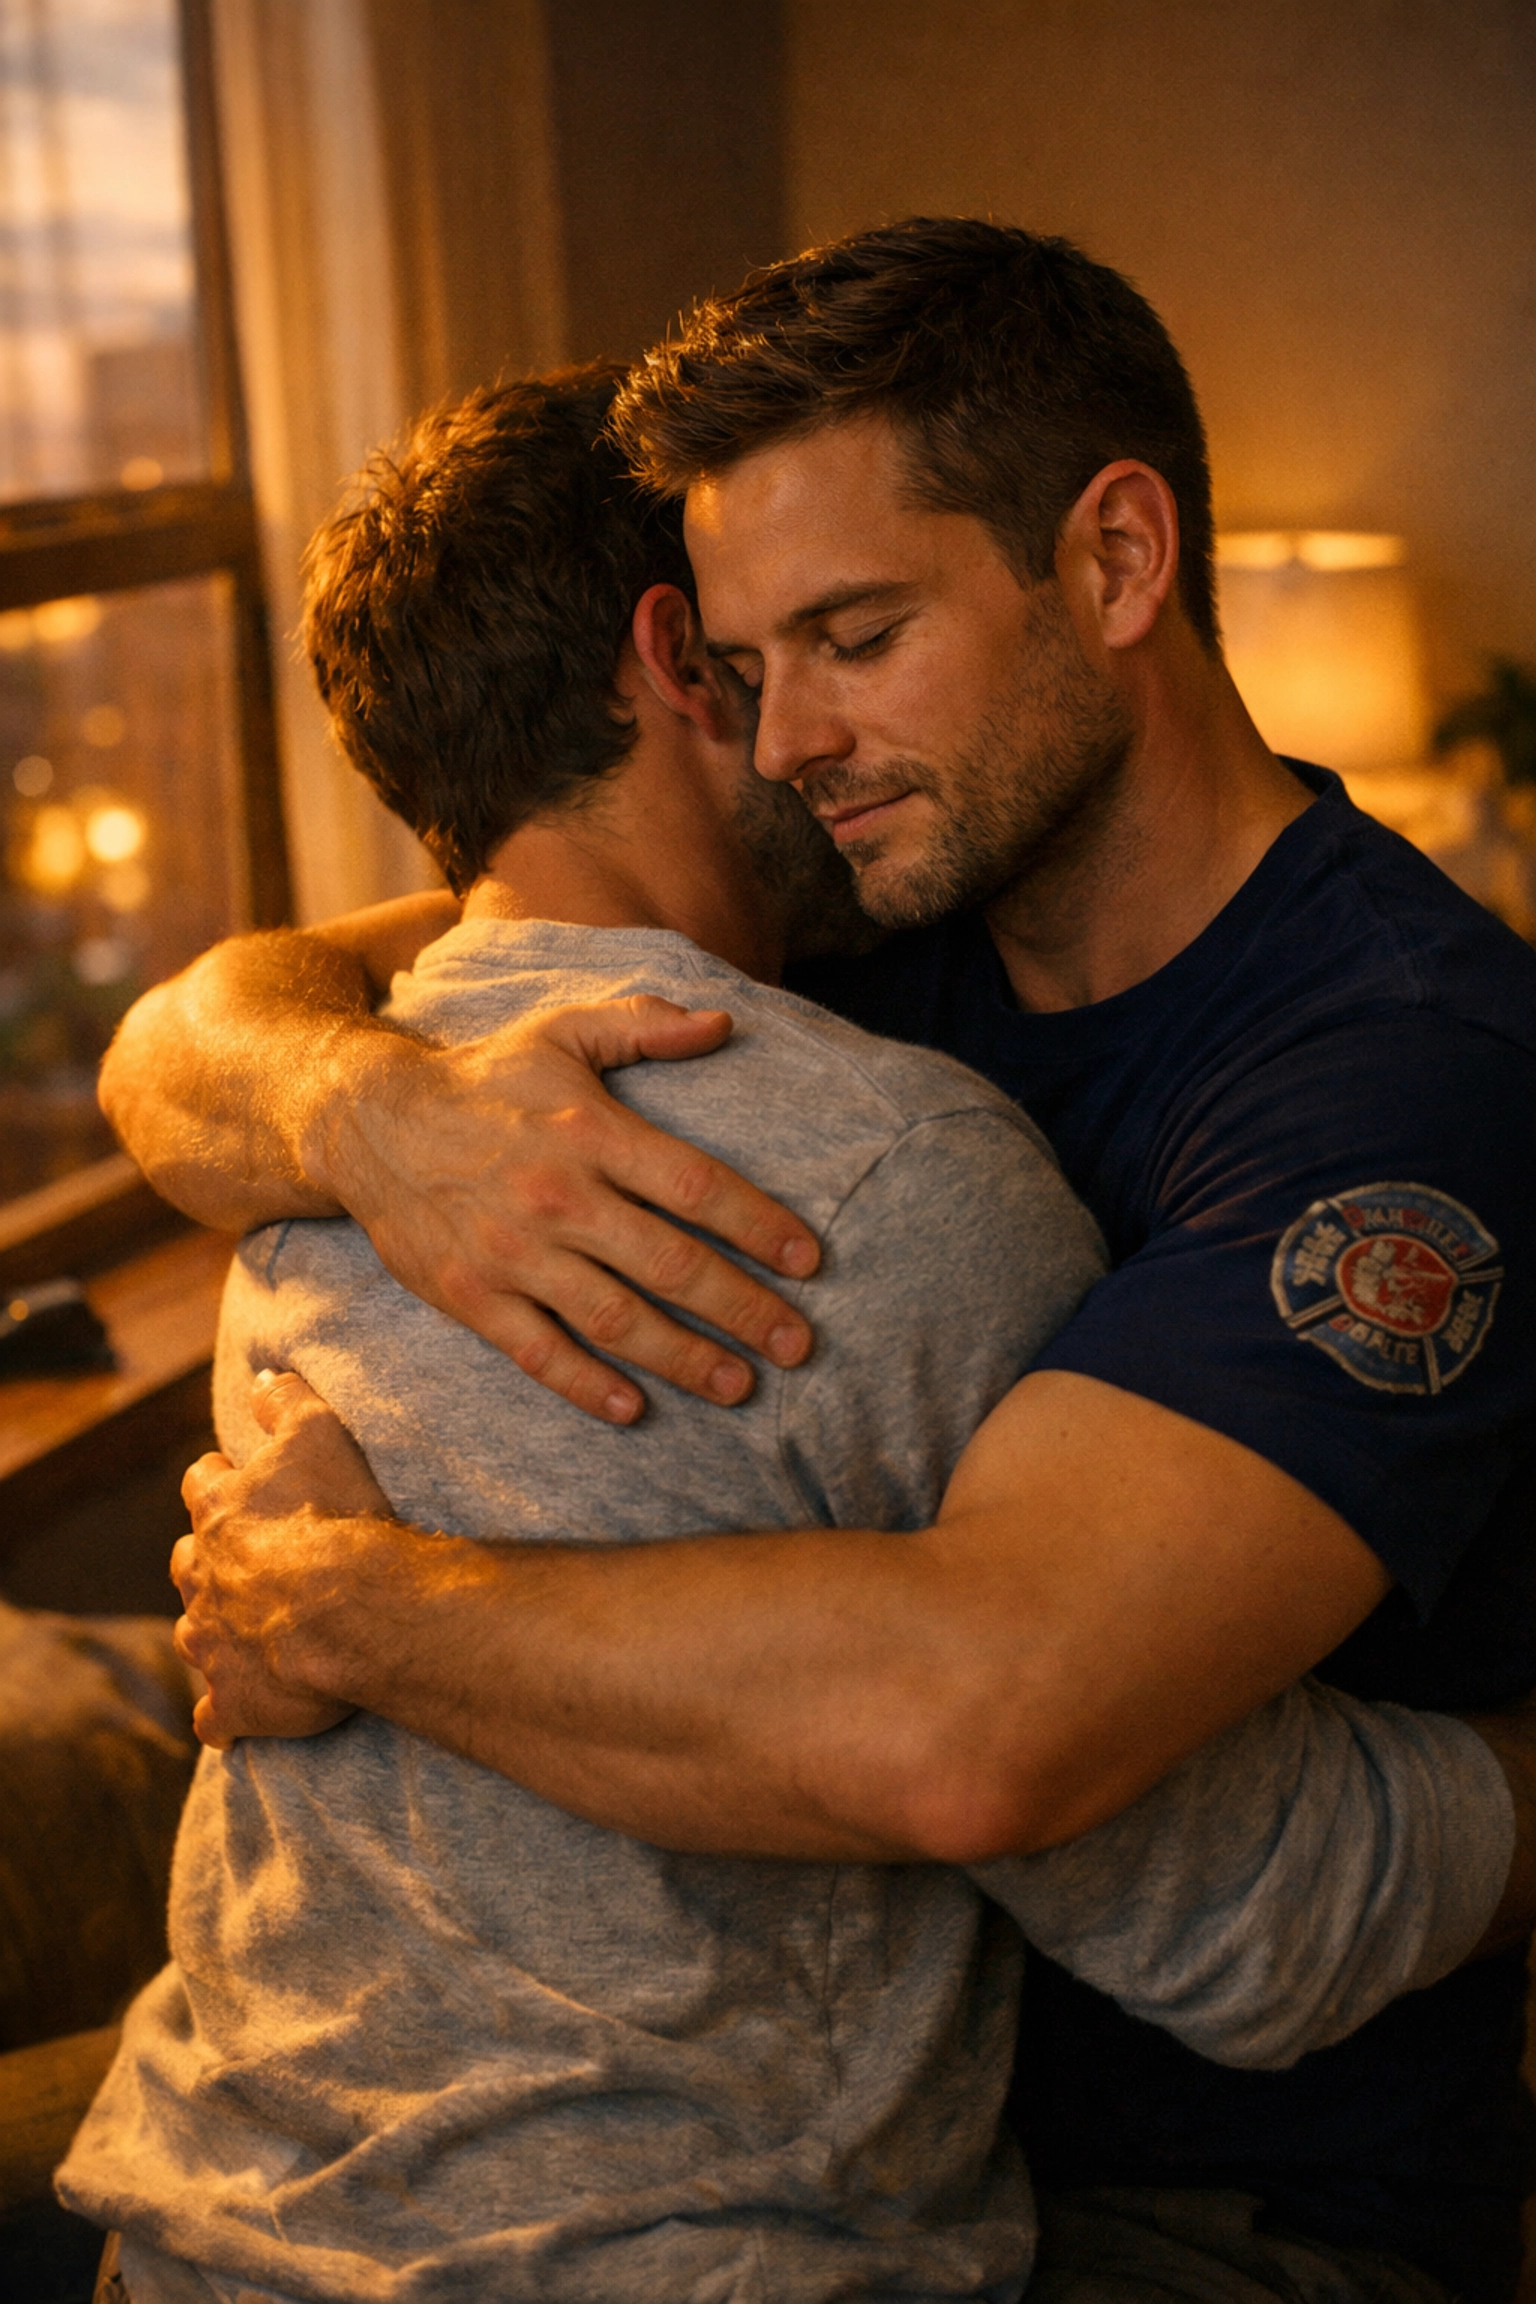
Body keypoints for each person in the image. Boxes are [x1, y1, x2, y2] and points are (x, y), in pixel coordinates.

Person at [95, 226, 1536, 2301]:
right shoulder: (874, 903)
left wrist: (348, 1605)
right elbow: (217, 1018)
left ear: (1118, 563)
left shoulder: (1404, 1077)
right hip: (782, 2130)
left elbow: (988, 1726)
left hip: (1219, 2196)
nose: (784, 746)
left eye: (856, 636)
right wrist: (364, 1108)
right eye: (751, 671)